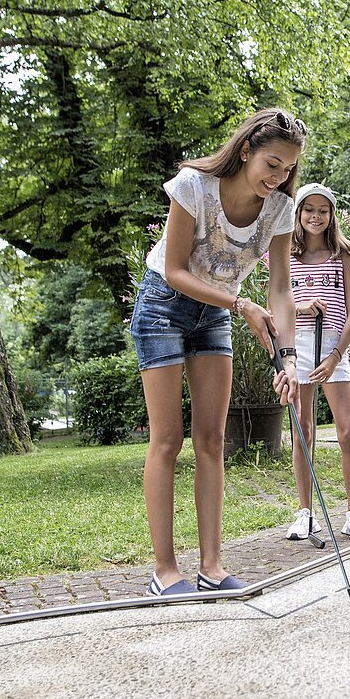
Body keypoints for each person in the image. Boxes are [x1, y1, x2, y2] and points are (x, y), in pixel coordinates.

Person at [130, 108, 304, 595]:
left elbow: (282, 290)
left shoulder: (280, 209)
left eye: (288, 169)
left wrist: (288, 358)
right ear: (246, 150)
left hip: (215, 312)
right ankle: (164, 571)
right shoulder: (193, 186)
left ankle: (211, 566)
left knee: (212, 441)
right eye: (272, 164)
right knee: (167, 440)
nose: (279, 177)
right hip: (164, 305)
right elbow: (174, 270)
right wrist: (241, 304)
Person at [284, 182, 350, 542]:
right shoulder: (286, 253)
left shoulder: (344, 254)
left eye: (323, 210)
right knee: (302, 433)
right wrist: (301, 307)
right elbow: (278, 302)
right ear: (299, 213)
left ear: (331, 214)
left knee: (347, 431)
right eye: (309, 209)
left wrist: (336, 354)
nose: (315, 216)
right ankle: (305, 513)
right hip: (298, 347)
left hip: (334, 347)